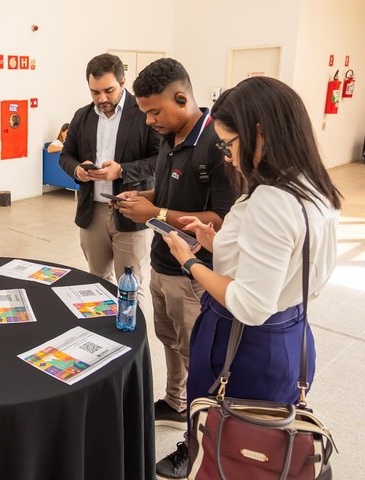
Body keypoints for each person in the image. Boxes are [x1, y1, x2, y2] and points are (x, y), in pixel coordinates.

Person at [154, 76, 342, 478]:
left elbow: (250, 304)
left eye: (229, 144)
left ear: (260, 133)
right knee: (267, 439)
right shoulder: (313, 187)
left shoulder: (271, 201)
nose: (228, 157)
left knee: (229, 435)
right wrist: (218, 246)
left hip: (242, 341)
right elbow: (292, 269)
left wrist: (190, 261)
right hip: (290, 331)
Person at [117, 58, 238, 434]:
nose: (150, 121)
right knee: (169, 339)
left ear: (182, 98)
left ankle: (200, 436)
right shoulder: (170, 139)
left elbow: (222, 218)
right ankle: (176, 401)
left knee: (199, 354)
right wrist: (146, 196)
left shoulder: (217, 145)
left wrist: (156, 210)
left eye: (155, 112)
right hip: (163, 262)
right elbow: (171, 189)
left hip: (194, 273)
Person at [59, 53, 160, 299]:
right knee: (96, 282)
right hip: (91, 212)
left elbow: (160, 160)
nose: (102, 98)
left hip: (130, 211)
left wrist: (122, 170)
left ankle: (130, 333)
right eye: (95, 92)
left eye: (108, 90)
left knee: (131, 287)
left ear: (123, 81)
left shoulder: (143, 113)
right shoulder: (82, 116)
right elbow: (66, 156)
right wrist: (78, 170)